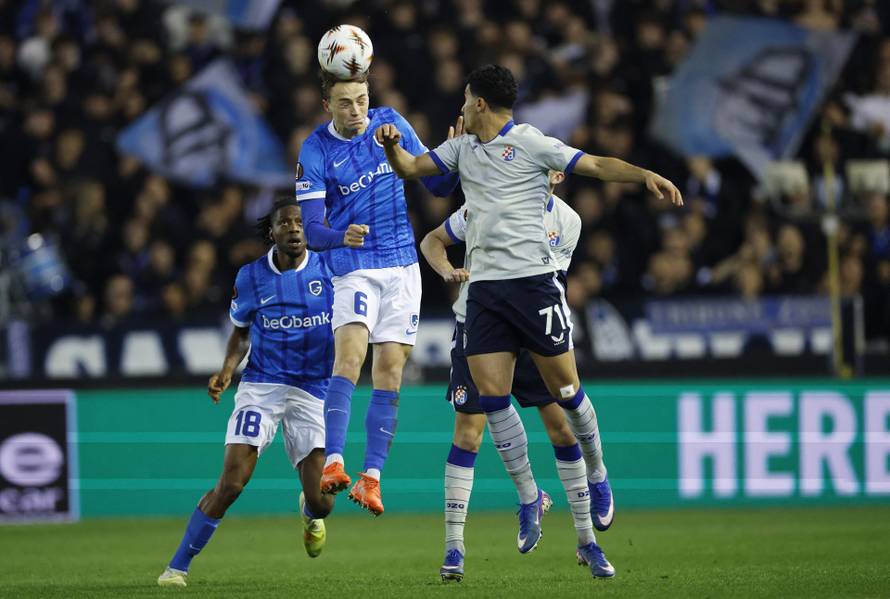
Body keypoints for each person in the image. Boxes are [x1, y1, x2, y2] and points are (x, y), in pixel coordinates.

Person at [377, 64, 683, 578]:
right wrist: (391, 146)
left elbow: (597, 165)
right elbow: (409, 168)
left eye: (467, 98)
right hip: (484, 294)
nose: (462, 105)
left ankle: (598, 471)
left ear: (479, 103)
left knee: (568, 394)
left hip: (533, 286)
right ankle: (527, 496)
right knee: (493, 401)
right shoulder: (460, 149)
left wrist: (643, 174)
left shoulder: (532, 143)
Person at [421, 169, 607, 582]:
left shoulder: (567, 221)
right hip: (480, 327)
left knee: (561, 428)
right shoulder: (483, 206)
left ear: (556, 175)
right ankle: (456, 546)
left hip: (531, 331)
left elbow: (548, 283)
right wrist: (447, 269)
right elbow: (432, 239)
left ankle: (586, 539)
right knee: (468, 434)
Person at [295, 69, 458, 515]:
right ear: (327, 106)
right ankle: (333, 462)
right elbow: (311, 230)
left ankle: (371, 479)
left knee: (390, 372)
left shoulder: (390, 123)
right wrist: (340, 236)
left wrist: (453, 156)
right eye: (345, 103)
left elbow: (438, 187)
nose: (357, 110)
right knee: (350, 359)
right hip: (354, 266)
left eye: (362, 99)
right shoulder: (315, 149)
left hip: (403, 266)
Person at [158, 199, 336, 587]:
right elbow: (241, 331)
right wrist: (226, 371)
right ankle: (176, 568)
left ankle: (309, 513)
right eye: (284, 223)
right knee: (231, 484)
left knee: (323, 502)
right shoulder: (252, 276)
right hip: (262, 386)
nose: (294, 228)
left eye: (299, 222)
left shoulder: (330, 268)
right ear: (271, 232)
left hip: (313, 389)